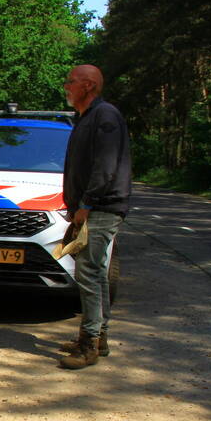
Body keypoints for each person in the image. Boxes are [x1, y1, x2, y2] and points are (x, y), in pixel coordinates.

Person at [57, 64, 131, 369]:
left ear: (88, 85)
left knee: (88, 273)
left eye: (71, 81)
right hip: (92, 206)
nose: (66, 86)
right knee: (96, 273)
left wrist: (86, 203)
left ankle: (88, 346)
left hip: (101, 206)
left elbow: (106, 165)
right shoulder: (86, 117)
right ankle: (98, 337)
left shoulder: (105, 116)